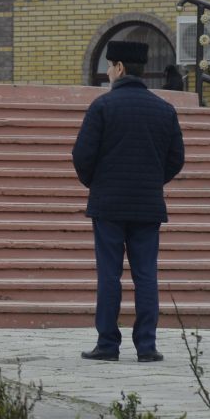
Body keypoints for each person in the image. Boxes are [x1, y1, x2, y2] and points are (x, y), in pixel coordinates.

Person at [71, 40, 185, 362]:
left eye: (109, 66)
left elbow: (82, 156)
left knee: (109, 275)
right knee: (146, 275)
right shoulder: (164, 109)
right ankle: (146, 347)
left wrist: (97, 183)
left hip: (108, 205)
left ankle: (108, 344)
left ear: (119, 68)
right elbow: (177, 158)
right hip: (147, 205)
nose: (108, 72)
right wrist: (151, 181)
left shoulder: (102, 107)